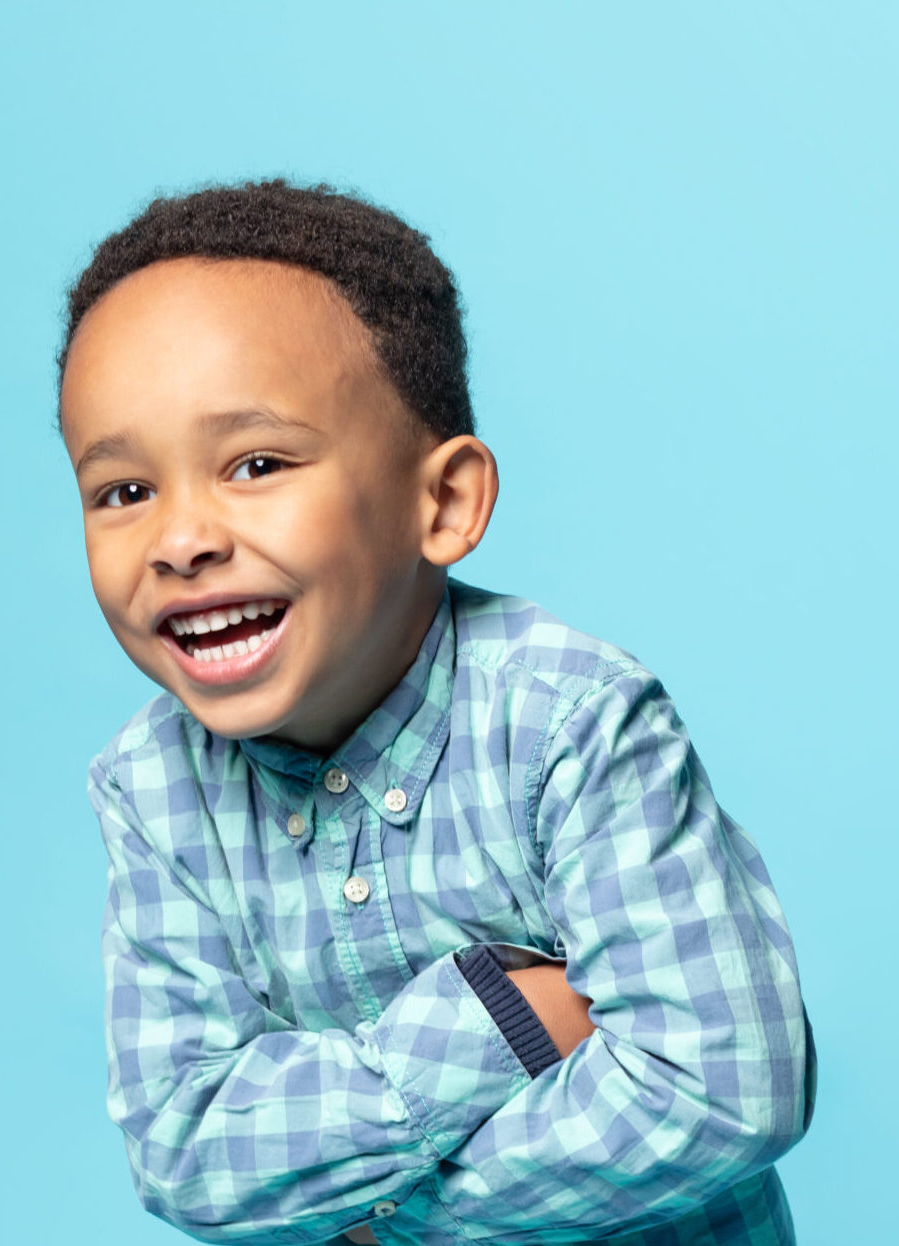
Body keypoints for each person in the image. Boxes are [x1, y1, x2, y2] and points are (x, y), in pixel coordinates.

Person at [58, 180, 814, 1246]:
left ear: (443, 503)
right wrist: (496, 1021)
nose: (179, 539)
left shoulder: (570, 721)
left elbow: (725, 1083)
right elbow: (187, 1153)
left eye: (256, 463)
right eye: (122, 491)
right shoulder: (151, 786)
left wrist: (391, 1220)